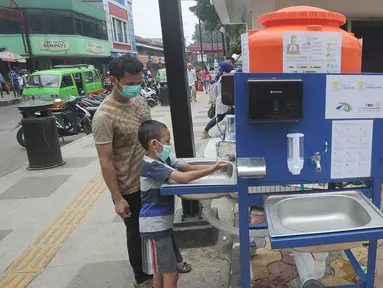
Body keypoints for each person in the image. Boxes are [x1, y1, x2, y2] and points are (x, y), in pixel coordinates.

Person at [137, 120, 228, 288]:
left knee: (160, 270)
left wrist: (215, 167)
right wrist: (211, 170)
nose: (169, 145)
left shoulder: (162, 158)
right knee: (171, 273)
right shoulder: (152, 165)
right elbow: (183, 177)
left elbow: (185, 167)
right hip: (155, 227)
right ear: (154, 144)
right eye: (166, 141)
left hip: (160, 226)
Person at [92, 55, 154, 288]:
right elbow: (105, 160)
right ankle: (141, 275)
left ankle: (167, 262)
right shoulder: (103, 116)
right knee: (136, 231)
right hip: (129, 185)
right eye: (129, 84)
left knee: (160, 223)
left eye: (138, 82)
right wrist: (117, 198)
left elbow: (151, 134)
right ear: (113, 80)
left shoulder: (139, 100)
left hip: (151, 177)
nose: (135, 88)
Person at [201, 71, 234, 139]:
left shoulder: (219, 80)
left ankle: (230, 132)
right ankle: (205, 130)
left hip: (221, 102)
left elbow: (214, 91)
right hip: (224, 103)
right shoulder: (226, 80)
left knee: (227, 116)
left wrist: (214, 101)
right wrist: (229, 104)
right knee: (219, 118)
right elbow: (228, 93)